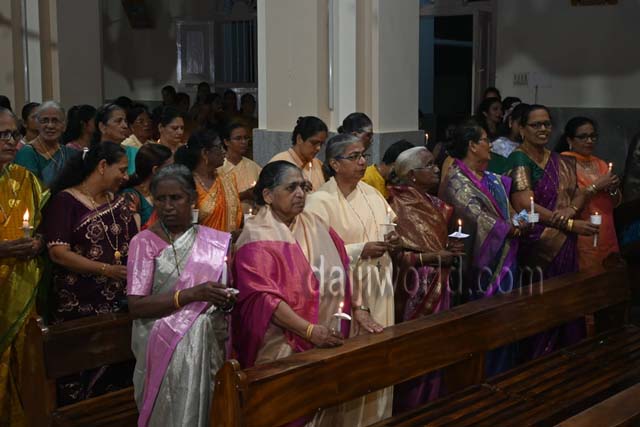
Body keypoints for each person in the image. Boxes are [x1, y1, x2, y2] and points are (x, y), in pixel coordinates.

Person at [232, 161, 348, 426]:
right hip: (280, 344)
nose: (300, 194)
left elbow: (343, 265)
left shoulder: (315, 224)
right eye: (291, 187)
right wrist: (308, 330)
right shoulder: (256, 236)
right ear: (268, 195)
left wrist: (360, 309)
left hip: (325, 336)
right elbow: (264, 298)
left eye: (303, 187)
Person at [127, 164, 234, 427]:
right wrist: (190, 295)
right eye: (160, 199)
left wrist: (226, 302)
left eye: (176, 198)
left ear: (192, 199)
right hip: (161, 343)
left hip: (208, 345)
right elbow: (137, 306)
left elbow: (224, 293)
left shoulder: (213, 241)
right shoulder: (143, 243)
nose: (167, 206)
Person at [305, 133, 399, 426]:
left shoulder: (372, 193)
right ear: (334, 164)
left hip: (381, 282)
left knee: (381, 355)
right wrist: (360, 250)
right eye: (354, 156)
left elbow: (389, 224)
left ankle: (378, 419)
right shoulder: (319, 201)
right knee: (352, 363)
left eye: (364, 156)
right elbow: (313, 254)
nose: (362, 162)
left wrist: (393, 239)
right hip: (345, 288)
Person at [42, 141, 136, 404]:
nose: (126, 177)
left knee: (119, 374)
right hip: (79, 302)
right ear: (102, 166)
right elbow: (58, 252)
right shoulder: (66, 201)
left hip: (119, 302)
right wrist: (107, 270)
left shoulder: (118, 202)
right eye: (122, 169)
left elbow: (134, 242)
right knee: (80, 376)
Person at [505, 105, 599, 358]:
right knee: (542, 307)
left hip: (565, 243)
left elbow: (578, 193)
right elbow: (525, 206)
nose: (543, 129)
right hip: (537, 243)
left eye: (546, 124)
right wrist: (568, 223)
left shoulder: (560, 160)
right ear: (522, 129)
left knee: (566, 302)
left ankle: (568, 359)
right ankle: (539, 362)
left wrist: (571, 209)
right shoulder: (519, 159)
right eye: (536, 124)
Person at [442, 121, 525, 376]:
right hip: (479, 265)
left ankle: (505, 370)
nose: (490, 144)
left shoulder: (492, 179)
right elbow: (476, 217)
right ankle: (483, 374)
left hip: (506, 257)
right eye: (486, 139)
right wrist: (507, 228)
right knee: (488, 319)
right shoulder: (457, 181)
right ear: (472, 145)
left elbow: (506, 210)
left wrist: (519, 219)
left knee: (507, 317)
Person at [388, 146, 462, 411]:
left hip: (442, 281)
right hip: (414, 286)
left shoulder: (436, 203)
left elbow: (434, 242)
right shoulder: (396, 203)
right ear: (411, 175)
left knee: (438, 344)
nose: (436, 169)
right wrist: (433, 257)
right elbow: (395, 255)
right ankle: (411, 407)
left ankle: (434, 402)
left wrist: (449, 248)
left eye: (434, 163)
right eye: (429, 165)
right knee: (417, 349)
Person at [0, 107, 47, 427]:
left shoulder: (25, 179)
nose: (10, 141)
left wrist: (38, 243)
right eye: (2, 134)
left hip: (22, 291)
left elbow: (41, 229)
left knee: (23, 369)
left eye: (14, 134)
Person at [558, 117, 621, 270]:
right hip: (582, 230)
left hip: (607, 229)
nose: (589, 141)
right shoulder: (563, 164)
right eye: (583, 137)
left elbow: (615, 202)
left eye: (593, 136)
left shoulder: (600, 163)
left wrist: (613, 189)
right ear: (569, 140)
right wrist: (595, 186)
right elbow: (563, 202)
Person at [175, 129, 242, 233]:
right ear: (205, 153)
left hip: (232, 242)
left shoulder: (228, 180)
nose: (224, 151)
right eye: (219, 147)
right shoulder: (188, 184)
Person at [14, 101, 75, 188]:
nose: (50, 126)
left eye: (55, 121)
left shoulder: (70, 153)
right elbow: (27, 190)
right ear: (38, 125)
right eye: (45, 121)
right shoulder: (26, 153)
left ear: (64, 126)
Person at [269, 116, 328, 191]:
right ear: (299, 139)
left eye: (321, 144)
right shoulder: (279, 163)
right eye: (314, 143)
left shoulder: (318, 164)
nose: (318, 148)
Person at [122, 143, 173, 229]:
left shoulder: (165, 193)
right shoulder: (131, 196)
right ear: (155, 170)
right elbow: (130, 232)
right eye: (170, 168)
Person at [217, 123, 261, 214]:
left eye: (246, 138)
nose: (244, 142)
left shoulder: (253, 166)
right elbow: (215, 200)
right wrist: (244, 195)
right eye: (238, 138)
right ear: (226, 142)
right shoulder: (218, 168)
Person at [94, 103, 138, 176]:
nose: (125, 126)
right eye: (118, 121)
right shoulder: (92, 155)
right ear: (102, 127)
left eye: (125, 121)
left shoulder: (135, 153)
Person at [488, 102, 528, 174]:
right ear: (510, 121)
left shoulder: (533, 147)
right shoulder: (498, 145)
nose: (522, 129)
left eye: (526, 125)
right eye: (519, 124)